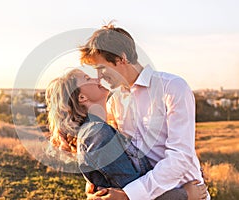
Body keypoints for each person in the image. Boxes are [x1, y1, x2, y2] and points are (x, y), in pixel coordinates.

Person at [79, 23, 210, 200]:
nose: (99, 77)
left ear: (121, 58)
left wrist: (129, 195)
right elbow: (115, 151)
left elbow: (180, 158)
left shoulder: (172, 88)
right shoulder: (115, 101)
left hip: (184, 191)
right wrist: (94, 184)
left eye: (101, 69)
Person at [45, 69, 207, 200]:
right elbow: (131, 189)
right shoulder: (97, 133)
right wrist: (184, 195)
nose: (96, 78)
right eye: (88, 78)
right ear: (82, 97)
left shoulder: (102, 125)